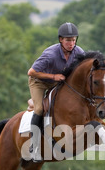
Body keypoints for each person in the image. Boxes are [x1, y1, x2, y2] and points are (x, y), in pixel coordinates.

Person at [27, 22, 85, 161]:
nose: (71, 43)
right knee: (40, 109)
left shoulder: (79, 52)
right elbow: (32, 71)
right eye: (68, 40)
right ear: (60, 40)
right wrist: (53, 76)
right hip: (39, 82)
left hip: (57, 83)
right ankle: (33, 145)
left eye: (73, 40)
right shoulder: (50, 54)